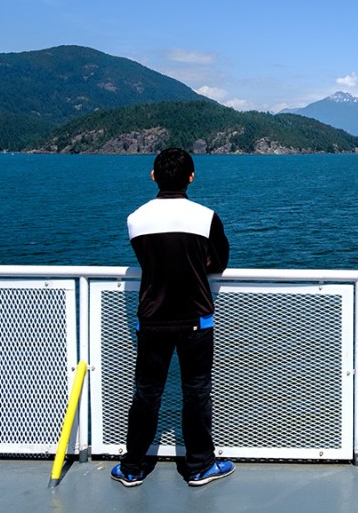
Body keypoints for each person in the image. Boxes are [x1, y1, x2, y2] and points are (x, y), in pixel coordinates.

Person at [111, 147, 234, 488]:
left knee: (146, 394)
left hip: (152, 318)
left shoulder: (136, 219)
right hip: (196, 317)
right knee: (196, 393)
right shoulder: (205, 217)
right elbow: (220, 261)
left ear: (153, 176)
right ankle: (199, 466)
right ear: (191, 177)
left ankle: (132, 467)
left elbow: (149, 260)